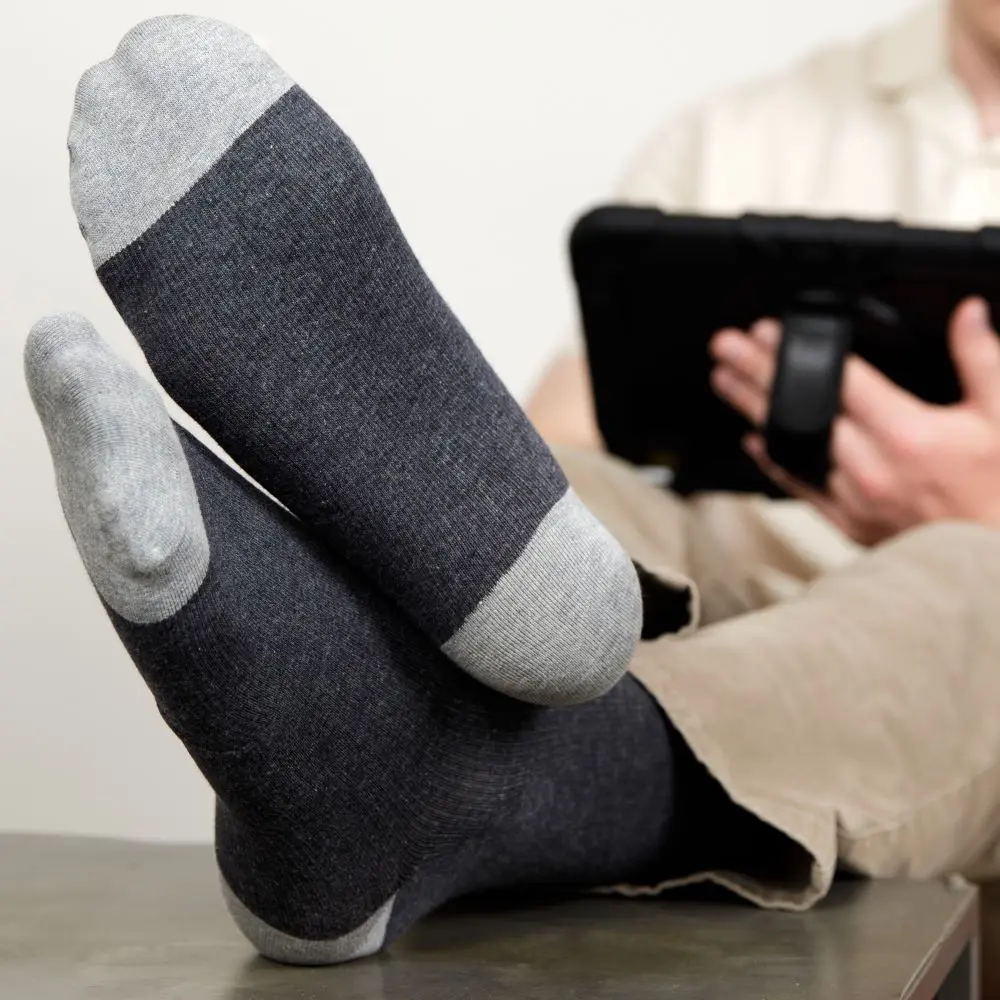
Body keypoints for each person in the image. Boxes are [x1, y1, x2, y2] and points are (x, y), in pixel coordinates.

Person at [31, 10, 1000, 983]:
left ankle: (414, 784)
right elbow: (570, 420)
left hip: (948, 636)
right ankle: (508, 611)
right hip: (714, 582)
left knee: (974, 573)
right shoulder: (746, 130)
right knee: (577, 497)